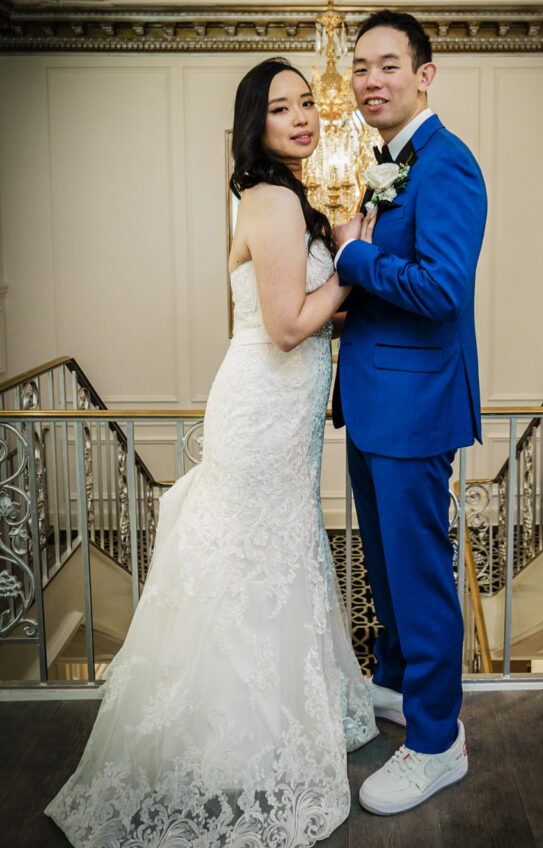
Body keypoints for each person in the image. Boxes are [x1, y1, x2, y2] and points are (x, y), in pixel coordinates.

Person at [45, 58, 377, 848]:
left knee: (274, 554)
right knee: (247, 561)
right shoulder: (268, 198)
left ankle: (279, 714)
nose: (302, 118)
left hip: (282, 408)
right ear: (253, 127)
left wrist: (336, 246)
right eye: (280, 109)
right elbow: (291, 324)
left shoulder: (284, 197)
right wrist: (355, 258)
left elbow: (296, 317)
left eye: (307, 104)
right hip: (260, 409)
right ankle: (235, 733)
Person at [332, 10, 487, 815]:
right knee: (390, 572)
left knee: (420, 578)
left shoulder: (447, 166)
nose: (370, 80)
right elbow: (391, 289)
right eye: (360, 66)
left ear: (425, 74)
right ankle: (394, 686)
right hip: (372, 401)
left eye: (388, 65)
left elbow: (439, 289)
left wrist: (353, 257)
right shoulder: (386, 162)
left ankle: (436, 742)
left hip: (417, 407)